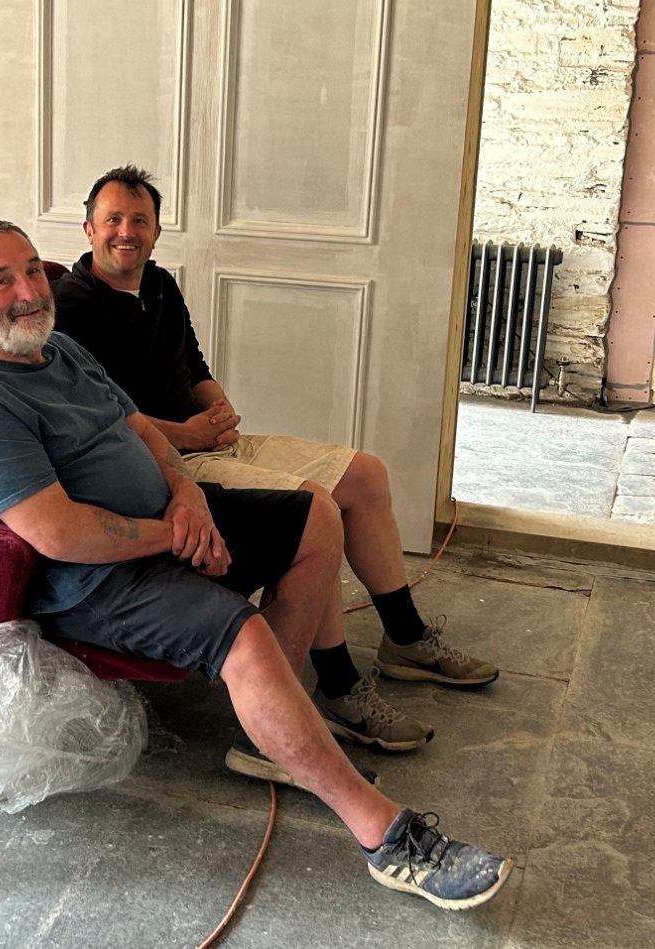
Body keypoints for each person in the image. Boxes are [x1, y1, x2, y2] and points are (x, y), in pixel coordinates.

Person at [0, 219, 511, 910]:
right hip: (94, 580)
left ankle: (277, 734)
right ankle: (386, 838)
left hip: (167, 523)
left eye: (31, 269)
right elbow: (60, 534)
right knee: (244, 636)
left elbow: (138, 428)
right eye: (2, 280)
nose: (28, 290)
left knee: (317, 515)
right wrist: (173, 535)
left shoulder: (59, 350)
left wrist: (187, 493)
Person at [52, 165, 498, 731]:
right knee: (317, 510)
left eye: (140, 220)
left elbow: (194, 365)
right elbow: (107, 419)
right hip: (168, 464)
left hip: (210, 441)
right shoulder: (70, 306)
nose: (126, 231)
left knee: (366, 474)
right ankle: (337, 684)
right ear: (88, 228)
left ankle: (405, 638)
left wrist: (219, 409)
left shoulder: (160, 284)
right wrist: (193, 435)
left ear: (157, 231)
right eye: (113, 219)